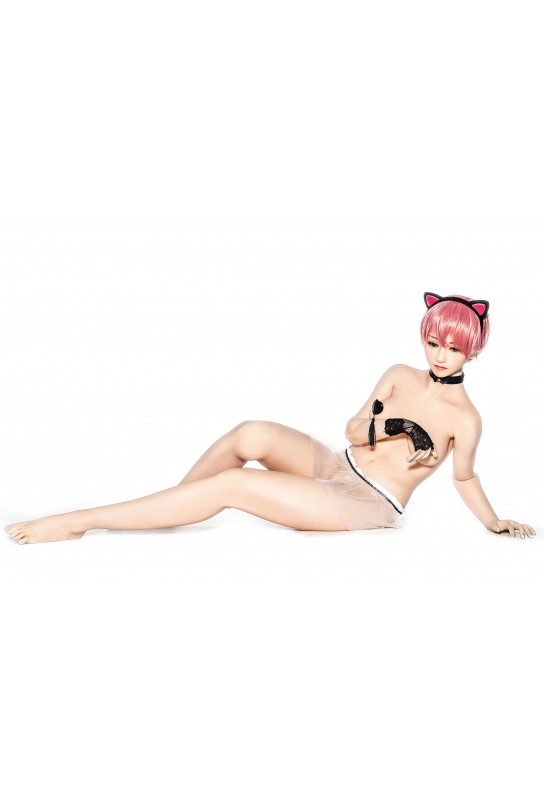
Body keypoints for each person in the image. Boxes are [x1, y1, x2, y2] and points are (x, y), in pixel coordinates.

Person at [5, 291, 536, 544]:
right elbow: (354, 431)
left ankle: (81, 520)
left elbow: (464, 477)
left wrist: (493, 521)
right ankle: (168, 508)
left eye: (453, 348)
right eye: (433, 342)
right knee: (251, 433)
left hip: (367, 502)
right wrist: (399, 427)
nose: (441, 355)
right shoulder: (399, 374)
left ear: (473, 350)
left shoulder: (466, 419)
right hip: (338, 464)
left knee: (235, 485)